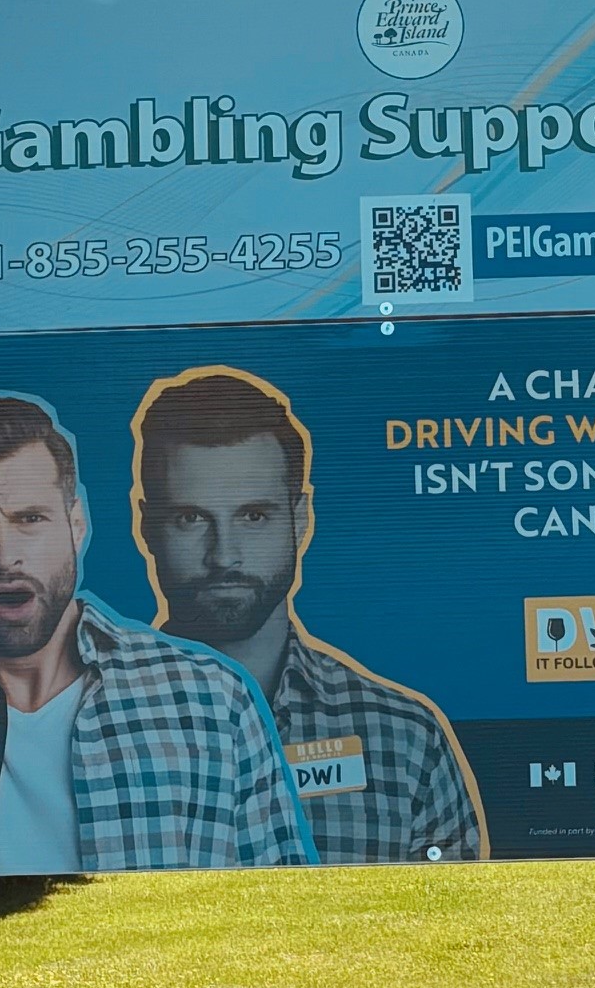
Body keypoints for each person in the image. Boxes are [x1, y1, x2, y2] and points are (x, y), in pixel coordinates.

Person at [0, 385, 315, 877]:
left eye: (31, 518)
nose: (5, 555)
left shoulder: (212, 700)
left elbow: (281, 907)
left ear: (76, 525)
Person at [132, 366, 487, 864]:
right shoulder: (76, 727)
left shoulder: (405, 742)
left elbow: (453, 931)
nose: (224, 555)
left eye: (254, 516)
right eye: (191, 519)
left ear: (300, 520)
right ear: (147, 528)